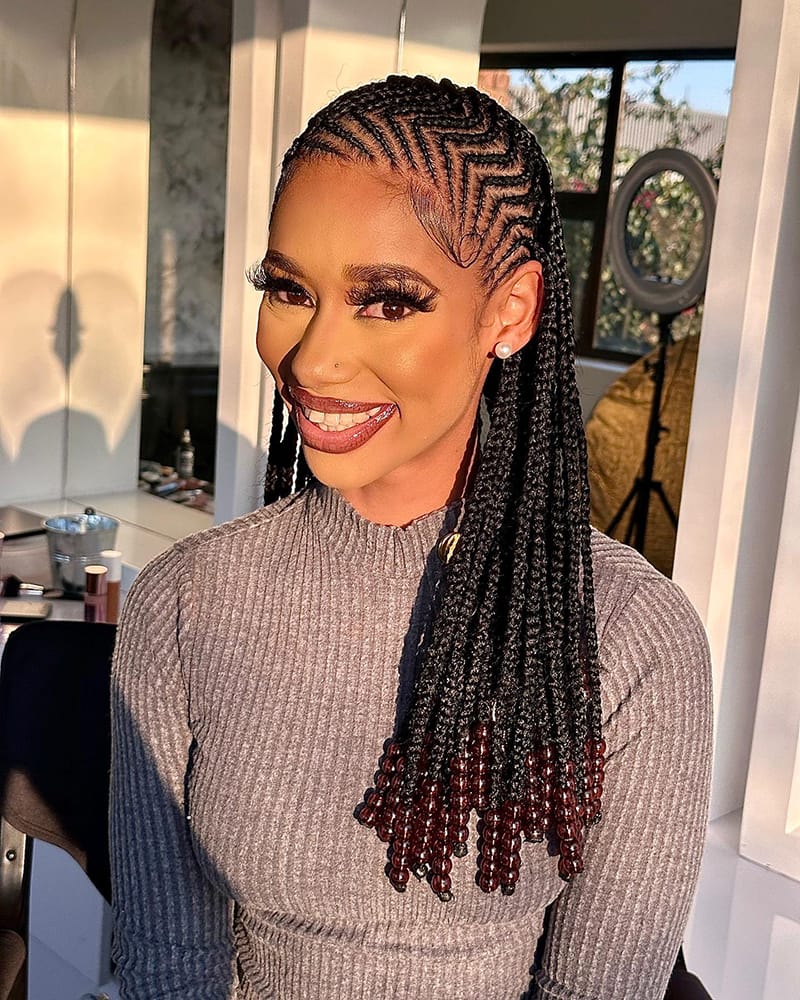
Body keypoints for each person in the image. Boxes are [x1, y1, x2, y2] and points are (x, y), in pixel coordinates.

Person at [110, 75, 712, 1000]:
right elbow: (169, 963)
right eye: (288, 289)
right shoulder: (188, 603)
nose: (312, 360)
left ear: (508, 312)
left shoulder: (631, 637)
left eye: (387, 300)